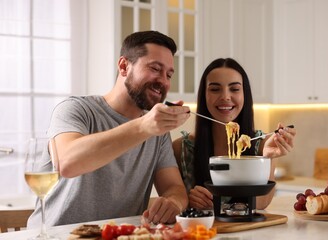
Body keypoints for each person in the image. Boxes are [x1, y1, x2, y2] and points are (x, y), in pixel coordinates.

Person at [27, 31, 191, 228]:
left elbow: (174, 188)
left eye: (169, 75)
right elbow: (67, 162)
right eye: (155, 68)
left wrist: (174, 202)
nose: (164, 81)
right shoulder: (76, 109)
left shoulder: (158, 133)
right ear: (123, 66)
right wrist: (144, 126)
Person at [172, 58, 296, 210]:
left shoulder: (263, 144)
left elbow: (261, 204)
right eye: (215, 89)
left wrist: (267, 158)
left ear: (245, 94)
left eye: (235, 89)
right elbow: (172, 199)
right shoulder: (180, 148)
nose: (225, 96)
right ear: (204, 96)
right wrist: (187, 201)